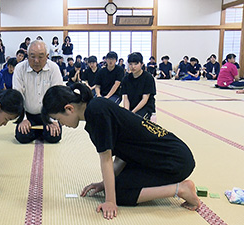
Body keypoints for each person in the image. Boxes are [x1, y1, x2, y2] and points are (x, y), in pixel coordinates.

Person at [41, 83, 201, 220]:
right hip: (167, 156)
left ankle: (181, 189)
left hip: (174, 161)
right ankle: (177, 187)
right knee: (116, 185)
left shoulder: (96, 113)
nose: (61, 124)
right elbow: (123, 154)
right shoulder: (96, 107)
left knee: (120, 193)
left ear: (69, 109)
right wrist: (104, 184)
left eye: (59, 119)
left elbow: (106, 159)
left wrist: (110, 200)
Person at [13, 40, 63, 144]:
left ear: (47, 56)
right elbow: (18, 96)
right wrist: (23, 119)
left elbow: (57, 96)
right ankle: (41, 132)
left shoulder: (53, 68)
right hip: (28, 113)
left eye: (40, 57)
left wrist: (52, 120)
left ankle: (40, 131)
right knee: (22, 136)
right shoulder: (19, 69)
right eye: (32, 56)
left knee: (54, 136)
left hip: (48, 113)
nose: (36, 61)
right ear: (27, 55)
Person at [121, 52, 156, 119]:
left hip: (145, 107)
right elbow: (125, 98)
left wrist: (132, 113)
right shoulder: (126, 79)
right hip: (131, 107)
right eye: (130, 64)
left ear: (141, 64)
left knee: (136, 121)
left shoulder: (148, 78)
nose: (133, 67)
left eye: (136, 64)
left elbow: (145, 99)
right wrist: (127, 112)